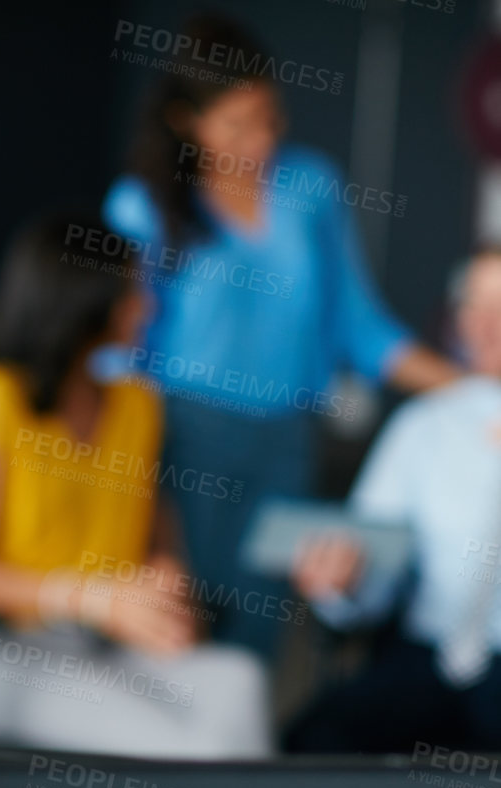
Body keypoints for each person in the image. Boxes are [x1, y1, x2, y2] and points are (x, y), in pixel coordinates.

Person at [102, 13, 458, 658]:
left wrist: (472, 387)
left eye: (268, 118)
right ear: (188, 121)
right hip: (182, 439)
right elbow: (117, 346)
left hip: (288, 438)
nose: (258, 140)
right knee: (184, 630)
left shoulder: (310, 187)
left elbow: (361, 327)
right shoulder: (143, 204)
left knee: (260, 637)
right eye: (236, 124)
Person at [0, 211, 271, 757]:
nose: (149, 305)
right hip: (6, 648)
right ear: (83, 301)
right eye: (134, 292)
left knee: (241, 682)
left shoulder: (137, 404)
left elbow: (156, 532)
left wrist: (166, 577)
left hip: (112, 640)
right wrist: (92, 599)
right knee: (197, 745)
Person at [287, 247, 501, 752]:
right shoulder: (424, 426)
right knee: (314, 744)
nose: (489, 324)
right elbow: (372, 560)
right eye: (476, 306)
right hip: (428, 651)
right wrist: (344, 582)